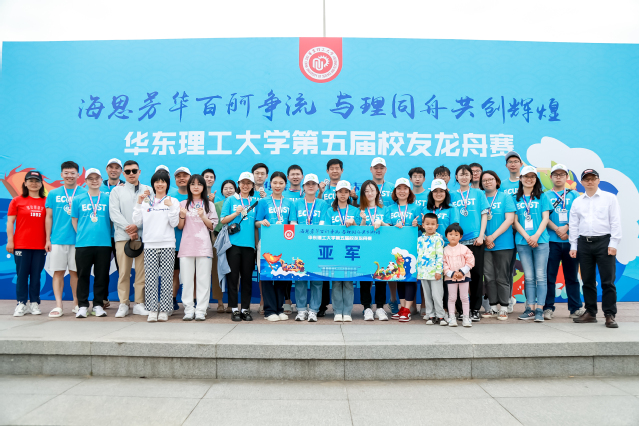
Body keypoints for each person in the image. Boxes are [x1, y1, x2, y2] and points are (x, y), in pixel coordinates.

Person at [570, 169, 622, 328]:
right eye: (586, 179)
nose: (590, 181)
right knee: (587, 280)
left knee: (608, 281)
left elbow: (615, 221)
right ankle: (590, 313)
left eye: (593, 178)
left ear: (598, 180)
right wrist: (573, 245)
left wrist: (613, 243)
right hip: (584, 243)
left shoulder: (610, 198)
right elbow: (574, 225)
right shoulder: (577, 201)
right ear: (582, 182)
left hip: (604, 243)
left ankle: (609, 314)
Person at [132, 170, 180, 322]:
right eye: (157, 181)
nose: (160, 184)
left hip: (167, 244)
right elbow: (137, 221)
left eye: (163, 181)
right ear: (153, 184)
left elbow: (175, 223)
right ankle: (152, 309)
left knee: (166, 278)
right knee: (151, 278)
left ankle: (165, 309)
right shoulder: (146, 201)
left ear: (167, 184)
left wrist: (171, 208)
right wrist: (138, 203)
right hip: (150, 244)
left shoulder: (173, 201)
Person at [110, 160, 152, 317]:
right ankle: (123, 303)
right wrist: (129, 228)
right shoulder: (117, 191)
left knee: (142, 272)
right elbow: (114, 213)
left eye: (134, 170)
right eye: (127, 171)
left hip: (143, 236)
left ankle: (139, 303)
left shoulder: (148, 190)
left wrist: (137, 227)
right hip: (123, 236)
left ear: (139, 172)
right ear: (123, 173)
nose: (131, 174)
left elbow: (151, 211)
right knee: (123, 272)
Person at [45, 161, 86, 316]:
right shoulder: (53, 193)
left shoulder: (84, 193)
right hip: (58, 240)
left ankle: (76, 304)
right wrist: (47, 239)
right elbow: (49, 217)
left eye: (73, 173)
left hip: (78, 241)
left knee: (76, 273)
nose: (69, 176)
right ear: (61, 174)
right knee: (58, 272)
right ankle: (58, 306)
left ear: (78, 174)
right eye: (66, 173)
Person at [544, 164, 584, 320]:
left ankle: (575, 308)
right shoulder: (545, 195)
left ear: (567, 177)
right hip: (551, 242)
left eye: (562, 174)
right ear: (551, 177)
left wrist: (566, 227)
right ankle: (548, 308)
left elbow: (579, 215)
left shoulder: (574, 195)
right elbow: (543, 216)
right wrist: (557, 230)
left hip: (571, 242)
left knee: (572, 276)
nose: (559, 177)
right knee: (549, 277)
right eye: (555, 175)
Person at [449, 165, 489, 322]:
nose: (464, 177)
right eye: (461, 174)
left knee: (477, 275)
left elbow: (484, 215)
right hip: (457, 242)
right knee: (458, 275)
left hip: (475, 240)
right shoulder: (452, 195)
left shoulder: (478, 193)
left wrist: (481, 235)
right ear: (456, 177)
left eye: (467, 174)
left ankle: (475, 309)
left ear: (471, 177)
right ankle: (460, 310)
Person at [255, 172, 296, 321]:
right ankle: (269, 311)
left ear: (285, 185)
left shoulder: (289, 203)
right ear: (270, 184)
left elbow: (293, 222)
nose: (277, 186)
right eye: (275, 183)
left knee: (282, 276)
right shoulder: (263, 202)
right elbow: (256, 222)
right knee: (267, 277)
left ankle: (279, 309)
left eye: (281, 183)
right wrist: (262, 222)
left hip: (284, 245)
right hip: (267, 244)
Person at [71, 168, 112, 318]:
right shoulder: (78, 199)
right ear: (85, 181)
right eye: (91, 178)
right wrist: (83, 233)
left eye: (97, 178)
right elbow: (74, 220)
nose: (94, 181)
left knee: (101, 276)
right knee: (83, 275)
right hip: (83, 244)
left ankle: (98, 305)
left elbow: (111, 221)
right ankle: (82, 305)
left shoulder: (108, 198)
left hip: (104, 244)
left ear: (101, 180)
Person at [513, 166, 552, 322]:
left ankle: (540, 309)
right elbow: (514, 221)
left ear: (536, 179)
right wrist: (527, 237)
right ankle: (530, 308)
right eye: (526, 176)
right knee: (529, 277)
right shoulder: (515, 198)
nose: (529, 179)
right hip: (523, 242)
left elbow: (545, 218)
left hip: (541, 241)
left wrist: (535, 236)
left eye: (532, 177)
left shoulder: (542, 197)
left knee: (541, 276)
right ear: (521, 178)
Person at [178, 174, 218, 321]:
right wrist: (182, 216)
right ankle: (188, 309)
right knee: (187, 280)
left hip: (204, 246)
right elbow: (180, 226)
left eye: (199, 184)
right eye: (193, 184)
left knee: (203, 280)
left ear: (203, 187)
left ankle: (201, 310)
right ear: (189, 186)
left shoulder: (209, 205)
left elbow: (212, 226)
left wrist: (203, 216)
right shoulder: (183, 203)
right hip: (186, 246)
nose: (196, 187)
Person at [220, 172, 258, 322]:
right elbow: (223, 220)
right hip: (233, 245)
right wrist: (235, 213)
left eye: (248, 183)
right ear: (238, 184)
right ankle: (234, 309)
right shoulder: (230, 200)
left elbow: (257, 223)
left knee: (247, 278)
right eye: (243, 182)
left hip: (249, 246)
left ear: (252, 185)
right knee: (233, 277)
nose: (245, 185)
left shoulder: (256, 201)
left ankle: (245, 309)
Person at [8, 171, 47, 317]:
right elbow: (10, 222)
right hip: (21, 245)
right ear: (25, 183)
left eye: (37, 181)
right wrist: (10, 241)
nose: (34, 183)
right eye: (30, 181)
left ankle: (35, 303)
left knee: (36, 276)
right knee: (22, 275)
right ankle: (21, 303)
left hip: (40, 245)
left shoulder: (46, 201)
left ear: (41, 184)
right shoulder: (17, 200)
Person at [385, 177, 423, 322]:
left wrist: (416, 225)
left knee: (410, 278)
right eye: (399, 189)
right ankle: (402, 308)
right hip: (396, 249)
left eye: (405, 188)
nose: (402, 191)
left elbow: (422, 228)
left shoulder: (416, 207)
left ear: (409, 191)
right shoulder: (390, 209)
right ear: (395, 191)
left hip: (412, 248)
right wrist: (393, 227)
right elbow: (386, 228)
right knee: (399, 277)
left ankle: (407, 309)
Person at [480, 170, 516, 320]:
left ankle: (504, 307)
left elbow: (509, 220)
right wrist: (485, 238)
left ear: (497, 181)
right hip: (484, 244)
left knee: (502, 276)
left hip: (503, 243)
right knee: (489, 276)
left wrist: (492, 237)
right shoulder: (480, 197)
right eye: (484, 180)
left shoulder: (505, 197)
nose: (487, 182)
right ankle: (493, 306)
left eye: (491, 179)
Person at [293, 174, 329, 322]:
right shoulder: (297, 204)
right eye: (308, 184)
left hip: (316, 246)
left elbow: (323, 224)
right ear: (303, 187)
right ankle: (301, 310)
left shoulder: (323, 204)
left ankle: (314, 310)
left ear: (317, 187)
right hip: (300, 246)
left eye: (313, 184)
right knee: (300, 278)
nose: (310, 186)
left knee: (317, 280)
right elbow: (293, 223)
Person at [425, 179, 460, 318]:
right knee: (434, 281)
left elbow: (454, 229)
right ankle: (436, 310)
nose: (438, 194)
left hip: (446, 248)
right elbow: (423, 228)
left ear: (446, 193)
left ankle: (450, 308)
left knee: (448, 279)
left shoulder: (452, 209)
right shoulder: (426, 209)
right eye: (435, 191)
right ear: (431, 193)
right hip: (430, 251)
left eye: (441, 191)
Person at [324, 180, 357, 322]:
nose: (343, 194)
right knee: (336, 281)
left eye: (346, 192)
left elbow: (361, 231)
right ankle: (337, 311)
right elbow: (325, 231)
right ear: (336, 193)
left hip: (350, 250)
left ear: (349, 194)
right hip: (335, 250)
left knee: (348, 281)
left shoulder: (355, 211)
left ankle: (347, 312)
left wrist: (354, 223)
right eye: (340, 192)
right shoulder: (329, 211)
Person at [357, 180, 388, 321]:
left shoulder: (384, 209)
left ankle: (380, 307)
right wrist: (363, 220)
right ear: (363, 194)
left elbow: (390, 229)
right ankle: (367, 308)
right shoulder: (358, 210)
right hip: (363, 250)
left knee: (381, 277)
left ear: (377, 192)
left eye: (372, 190)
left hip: (381, 249)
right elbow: (356, 232)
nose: (370, 193)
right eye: (366, 191)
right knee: (364, 279)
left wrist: (381, 222)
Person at [100, 158, 124, 308]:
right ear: (107, 169)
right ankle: (102, 299)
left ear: (121, 171)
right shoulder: (98, 187)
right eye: (111, 167)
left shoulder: (126, 187)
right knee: (102, 269)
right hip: (103, 235)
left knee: (123, 269)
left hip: (120, 235)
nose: (114, 170)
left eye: (117, 168)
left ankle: (124, 301)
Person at [502, 151, 523, 313]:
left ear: (521, 164)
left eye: (516, 161)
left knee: (530, 268)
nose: (513, 164)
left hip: (526, 231)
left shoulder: (527, 182)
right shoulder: (502, 185)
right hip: (508, 231)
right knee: (508, 267)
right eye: (510, 162)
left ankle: (535, 305)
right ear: (506, 165)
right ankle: (508, 298)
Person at [202, 168, 225, 313]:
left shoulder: (217, 199)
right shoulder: (195, 196)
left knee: (216, 271)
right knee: (201, 272)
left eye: (211, 177)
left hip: (214, 238)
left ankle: (219, 301)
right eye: (206, 177)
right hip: (198, 239)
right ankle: (201, 302)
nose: (209, 179)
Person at [443, 223, 475, 327]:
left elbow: (470, 261)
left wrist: (462, 272)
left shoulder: (464, 248)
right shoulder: (444, 250)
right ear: (446, 236)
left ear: (460, 237)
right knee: (452, 298)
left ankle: (466, 317)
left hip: (464, 277)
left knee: (464, 297)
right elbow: (443, 264)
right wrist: (451, 273)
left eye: (456, 235)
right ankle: (452, 318)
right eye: (450, 234)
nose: (453, 236)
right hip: (450, 278)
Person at [168, 166, 191, 311]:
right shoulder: (169, 197)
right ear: (175, 179)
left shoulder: (196, 196)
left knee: (192, 275)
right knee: (174, 274)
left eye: (185, 176)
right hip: (174, 242)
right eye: (178, 176)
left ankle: (193, 301)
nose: (181, 178)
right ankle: (172, 300)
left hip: (192, 244)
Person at [418, 213, 446, 325]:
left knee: (437, 295)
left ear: (437, 226)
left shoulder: (438, 239)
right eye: (427, 224)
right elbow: (419, 256)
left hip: (435, 273)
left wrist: (439, 271)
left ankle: (440, 316)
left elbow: (440, 256)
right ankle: (430, 315)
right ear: (423, 225)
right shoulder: (420, 239)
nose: (430, 226)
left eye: (433, 224)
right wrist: (418, 272)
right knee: (427, 295)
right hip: (423, 273)